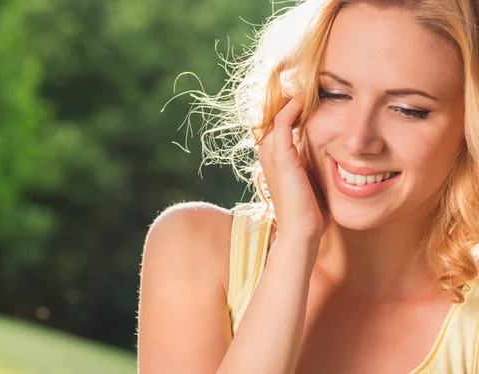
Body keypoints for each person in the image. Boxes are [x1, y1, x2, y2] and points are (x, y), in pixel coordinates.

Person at [137, 0, 479, 372]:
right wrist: (297, 241)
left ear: (469, 128)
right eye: (334, 93)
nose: (358, 140)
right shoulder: (194, 248)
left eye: (408, 109)